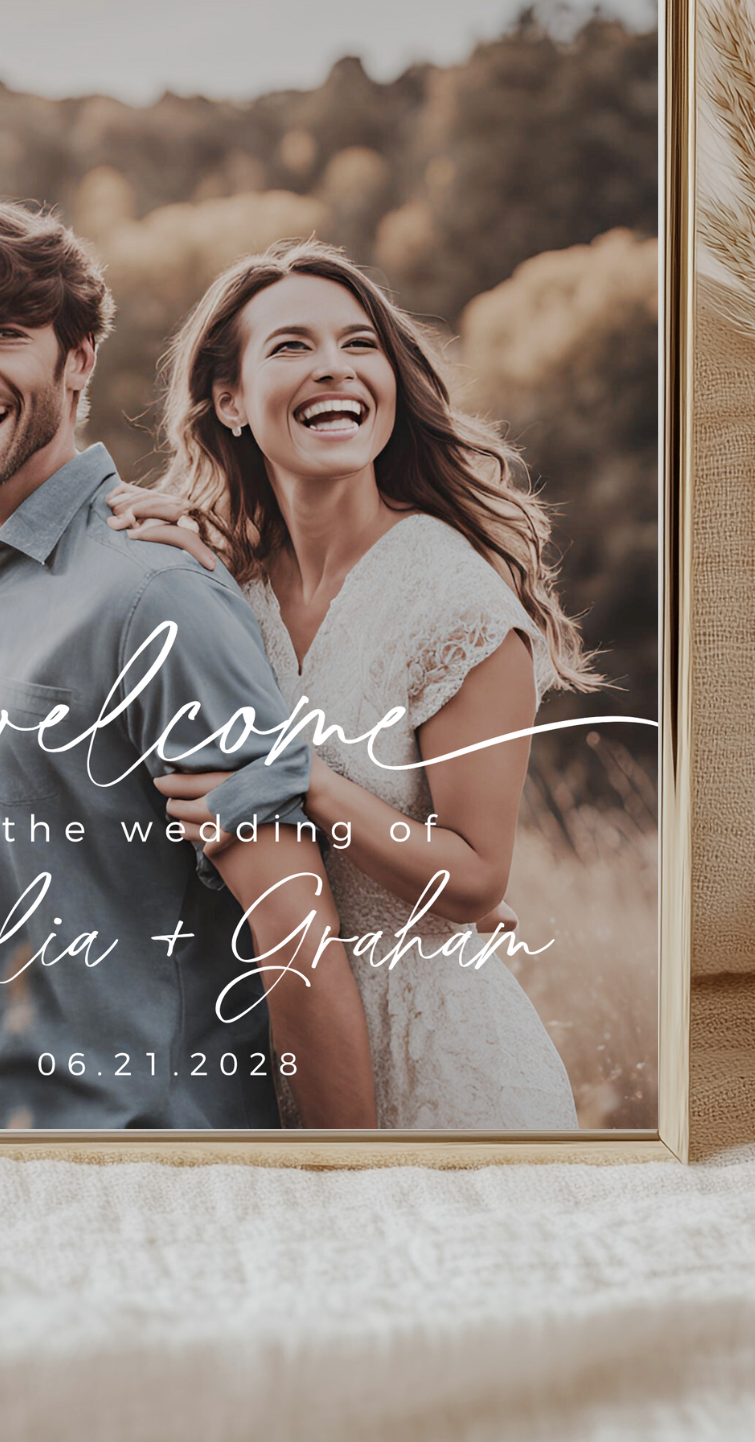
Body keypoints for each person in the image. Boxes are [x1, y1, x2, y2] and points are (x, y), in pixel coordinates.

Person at [0, 199, 375, 1132]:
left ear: (79, 360)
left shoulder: (157, 596)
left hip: (142, 1173)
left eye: (7, 334)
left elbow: (294, 931)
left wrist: (351, 1200)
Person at [109, 241, 589, 1130]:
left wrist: (310, 781)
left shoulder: (453, 597)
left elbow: (480, 881)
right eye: (291, 347)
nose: (334, 367)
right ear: (230, 400)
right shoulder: (230, 592)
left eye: (359, 344)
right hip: (275, 1053)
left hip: (448, 1068)